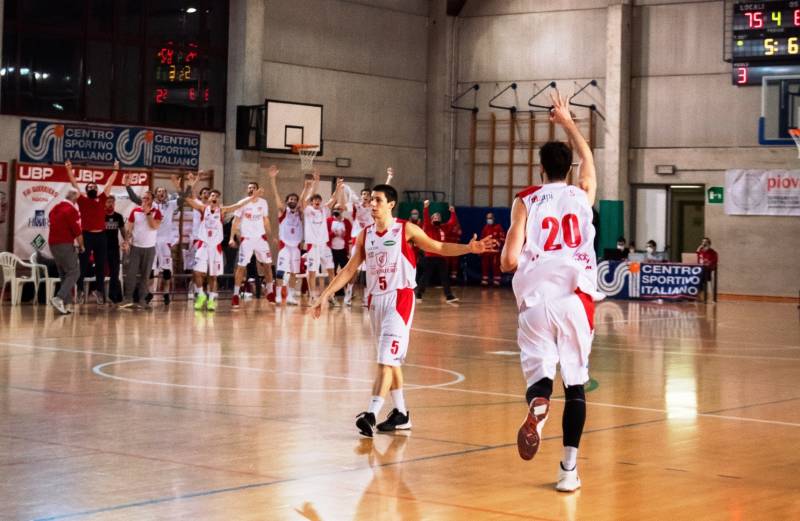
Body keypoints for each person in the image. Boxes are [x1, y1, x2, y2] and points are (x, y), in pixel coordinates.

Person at [310, 184, 496, 438]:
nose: (372, 204)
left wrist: (468, 248)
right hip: (375, 301)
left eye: (377, 200)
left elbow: (438, 248)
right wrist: (325, 294)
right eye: (371, 200)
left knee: (386, 359)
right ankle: (401, 414)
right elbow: (349, 269)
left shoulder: (405, 228)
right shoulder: (365, 234)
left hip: (400, 299)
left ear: (390, 204)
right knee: (392, 360)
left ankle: (371, 413)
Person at [500, 91, 604, 493]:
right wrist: (569, 123)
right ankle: (568, 470)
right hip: (574, 296)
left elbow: (510, 260)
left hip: (535, 300)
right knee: (575, 384)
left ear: (540, 169)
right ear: (569, 169)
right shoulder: (581, 195)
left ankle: (538, 407)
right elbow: (590, 168)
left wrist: (514, 256)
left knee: (540, 376)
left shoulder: (524, 201)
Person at [183, 181, 259, 311]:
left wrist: (252, 197)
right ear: (209, 198)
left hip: (215, 247)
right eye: (212, 196)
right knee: (197, 272)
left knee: (213, 276)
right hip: (203, 245)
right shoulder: (203, 209)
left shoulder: (222, 211)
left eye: (216, 197)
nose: (214, 198)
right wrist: (189, 184)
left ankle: (211, 299)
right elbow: (187, 199)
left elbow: (238, 205)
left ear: (219, 200)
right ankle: (201, 295)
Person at [126, 175, 189, 305]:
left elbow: (184, 198)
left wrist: (179, 185)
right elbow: (134, 198)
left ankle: (166, 293)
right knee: (150, 270)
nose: (161, 193)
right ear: (155, 195)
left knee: (166, 271)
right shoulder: (151, 204)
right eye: (159, 191)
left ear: (166, 194)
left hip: (165, 241)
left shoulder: (171, 205)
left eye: (163, 191)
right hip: (151, 241)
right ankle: (148, 293)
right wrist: (128, 186)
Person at [65, 159, 119, 305]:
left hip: (101, 235)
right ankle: (81, 291)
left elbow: (109, 182)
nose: (92, 187)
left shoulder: (102, 198)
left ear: (96, 189)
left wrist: (115, 169)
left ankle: (99, 291)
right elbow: (74, 183)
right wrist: (69, 169)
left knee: (101, 264)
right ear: (87, 190)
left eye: (94, 186)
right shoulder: (82, 199)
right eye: (90, 186)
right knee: (82, 264)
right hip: (87, 235)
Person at [344, 168, 395, 307]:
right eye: (364, 194)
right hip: (357, 240)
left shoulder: (375, 206)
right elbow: (346, 198)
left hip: (371, 240)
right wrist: (343, 187)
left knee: (371, 270)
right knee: (354, 269)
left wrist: (389, 178)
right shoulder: (356, 206)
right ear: (361, 196)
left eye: (368, 194)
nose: (366, 196)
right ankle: (348, 294)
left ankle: (367, 297)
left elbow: (383, 193)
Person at [300, 172, 343, 304]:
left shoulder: (324, 210)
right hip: (313, 245)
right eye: (315, 201)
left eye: (319, 200)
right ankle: (313, 296)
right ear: (311, 202)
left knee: (331, 271)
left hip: (324, 246)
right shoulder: (307, 211)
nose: (317, 202)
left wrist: (338, 188)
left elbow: (333, 199)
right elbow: (302, 201)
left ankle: (331, 295)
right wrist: (313, 184)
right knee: (312, 272)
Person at [230, 180, 273, 308]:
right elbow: (235, 221)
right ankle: (236, 295)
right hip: (247, 239)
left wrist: (271, 235)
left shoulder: (263, 202)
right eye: (249, 188)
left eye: (253, 187)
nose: (251, 189)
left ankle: (270, 292)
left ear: (258, 190)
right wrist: (231, 238)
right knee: (241, 267)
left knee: (267, 265)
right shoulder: (242, 203)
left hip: (260, 238)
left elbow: (266, 220)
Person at [119, 191, 162, 309]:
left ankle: (142, 300)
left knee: (145, 275)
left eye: (148, 198)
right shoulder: (135, 211)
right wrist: (127, 242)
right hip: (136, 247)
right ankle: (128, 298)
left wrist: (148, 214)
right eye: (143, 198)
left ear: (152, 200)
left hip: (149, 248)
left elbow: (154, 226)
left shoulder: (156, 212)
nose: (145, 201)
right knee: (131, 274)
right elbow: (129, 229)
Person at [267, 165, 302, 306]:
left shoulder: (300, 213)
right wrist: (272, 180)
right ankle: (277, 295)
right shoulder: (283, 211)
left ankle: (291, 296)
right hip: (285, 247)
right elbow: (276, 196)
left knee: (294, 273)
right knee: (280, 272)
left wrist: (312, 186)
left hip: (296, 247)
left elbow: (305, 199)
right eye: (290, 199)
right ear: (287, 201)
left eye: (295, 199)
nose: (292, 200)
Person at [47, 188, 84, 315]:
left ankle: (67, 304)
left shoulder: (55, 208)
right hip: (64, 244)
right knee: (74, 272)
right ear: (74, 198)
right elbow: (77, 231)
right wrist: (82, 246)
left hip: (53, 245)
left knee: (64, 273)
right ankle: (59, 298)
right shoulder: (71, 210)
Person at [416, 201, 459, 303]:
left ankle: (449, 296)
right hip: (430, 256)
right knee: (426, 276)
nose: (437, 219)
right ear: (431, 220)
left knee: (444, 277)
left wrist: (453, 212)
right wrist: (426, 208)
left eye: (438, 217)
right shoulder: (428, 227)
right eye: (435, 217)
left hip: (441, 256)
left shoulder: (443, 227)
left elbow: (453, 222)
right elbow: (426, 219)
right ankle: (419, 294)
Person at [103, 195, 126, 304]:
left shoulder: (118, 217)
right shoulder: (100, 216)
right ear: (104, 203)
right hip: (101, 248)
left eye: (112, 202)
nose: (110, 204)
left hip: (114, 249)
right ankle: (100, 295)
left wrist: (126, 242)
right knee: (100, 272)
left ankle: (114, 296)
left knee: (115, 272)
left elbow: (123, 231)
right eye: (108, 202)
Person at [328, 203, 353, 295]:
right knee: (332, 270)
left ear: (342, 210)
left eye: (339, 208)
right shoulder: (329, 220)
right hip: (331, 250)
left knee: (345, 270)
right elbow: (325, 235)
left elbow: (350, 236)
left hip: (343, 249)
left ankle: (345, 290)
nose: (337, 210)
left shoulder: (346, 222)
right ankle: (334, 291)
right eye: (335, 208)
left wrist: (344, 235)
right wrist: (333, 234)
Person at [480, 212, 506, 286]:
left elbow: (502, 239)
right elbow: (482, 239)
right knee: (485, 266)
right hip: (486, 251)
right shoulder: (485, 228)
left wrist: (497, 243)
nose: (489, 220)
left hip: (495, 252)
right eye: (488, 218)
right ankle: (485, 280)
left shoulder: (498, 227)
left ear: (493, 218)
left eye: (490, 218)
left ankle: (496, 281)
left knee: (496, 267)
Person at [696, 237, 718, 302]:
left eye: (706, 242)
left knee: (700, 277)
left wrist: (708, 263)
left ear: (709, 243)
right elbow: (697, 258)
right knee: (693, 276)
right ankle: (694, 295)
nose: (704, 243)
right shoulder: (700, 251)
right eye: (703, 242)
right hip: (699, 269)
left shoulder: (713, 252)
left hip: (707, 269)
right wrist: (698, 249)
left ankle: (702, 295)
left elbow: (714, 261)